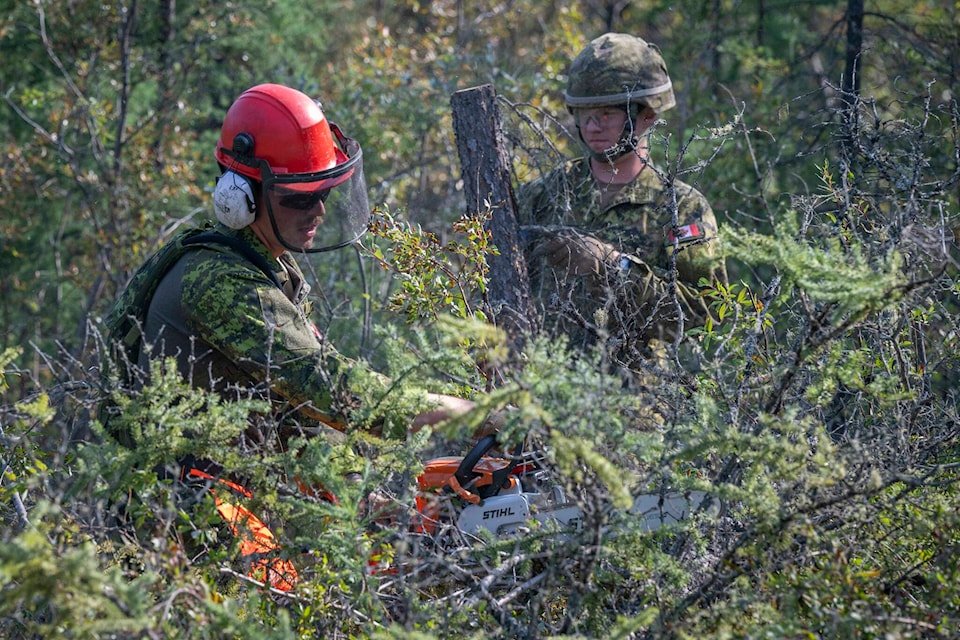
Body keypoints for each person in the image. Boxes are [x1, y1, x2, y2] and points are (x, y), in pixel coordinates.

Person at [105, 83, 474, 589]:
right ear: (242, 197)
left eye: (324, 193)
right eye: (300, 198)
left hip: (228, 494)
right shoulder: (222, 283)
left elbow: (294, 414)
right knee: (286, 603)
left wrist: (357, 498)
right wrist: (467, 412)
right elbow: (338, 391)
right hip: (183, 508)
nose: (318, 211)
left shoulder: (265, 269)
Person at [517, 33, 727, 376]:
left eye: (607, 113)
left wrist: (613, 267)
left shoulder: (681, 207)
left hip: (632, 410)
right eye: (584, 113)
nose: (592, 125)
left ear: (647, 114)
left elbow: (706, 312)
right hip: (541, 397)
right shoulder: (542, 194)